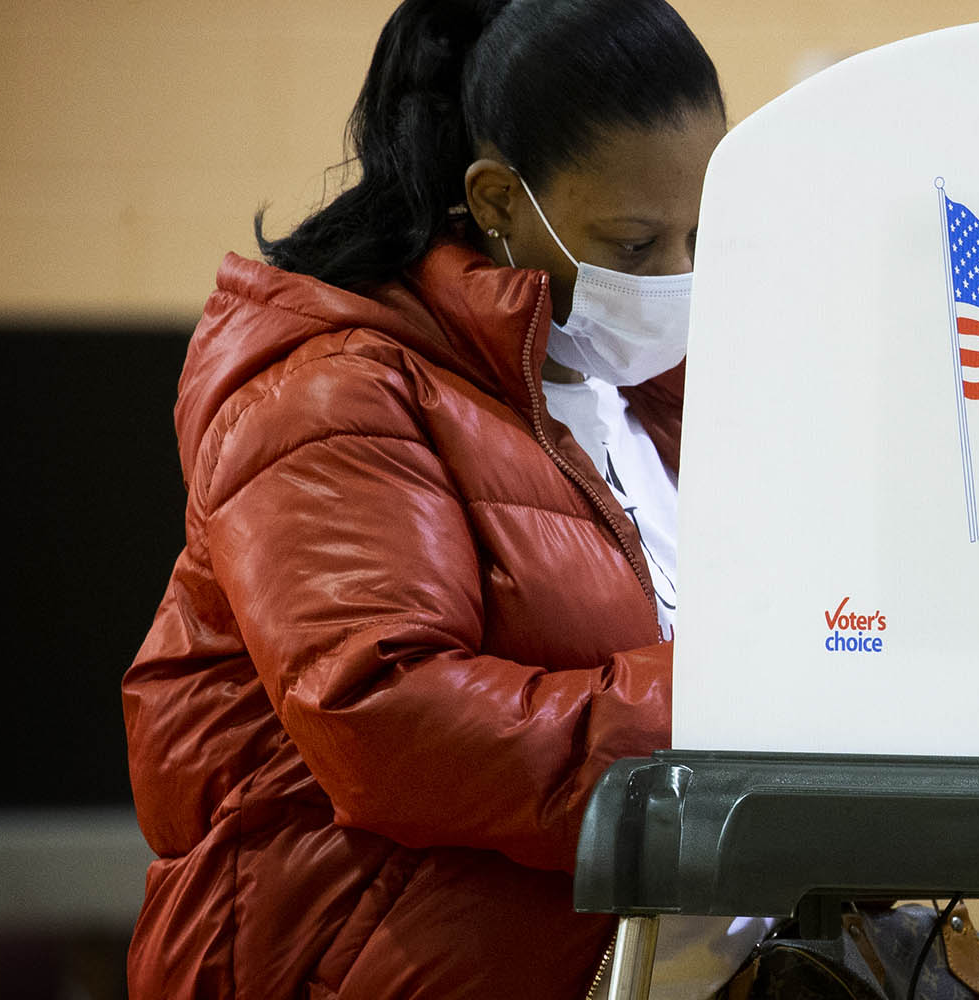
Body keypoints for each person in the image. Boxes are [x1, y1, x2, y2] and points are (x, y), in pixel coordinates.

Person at [120, 0, 774, 995]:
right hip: (345, 959)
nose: (677, 279)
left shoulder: (637, 400)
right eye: (637, 246)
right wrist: (741, 699)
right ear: (500, 200)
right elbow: (383, 712)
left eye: (701, 235)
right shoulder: (332, 389)